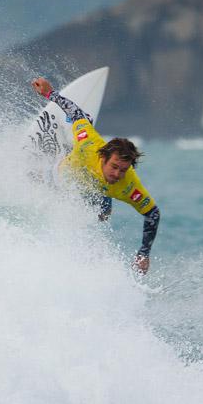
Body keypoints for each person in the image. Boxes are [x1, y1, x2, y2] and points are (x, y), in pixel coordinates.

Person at [32, 76, 160, 274]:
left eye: (123, 170)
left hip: (91, 193)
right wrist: (50, 93)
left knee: (102, 212)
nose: (117, 174)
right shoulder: (89, 144)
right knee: (84, 121)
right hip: (62, 174)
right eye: (114, 167)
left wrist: (144, 253)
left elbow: (152, 213)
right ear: (103, 157)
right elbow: (75, 113)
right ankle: (56, 153)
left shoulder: (128, 184)